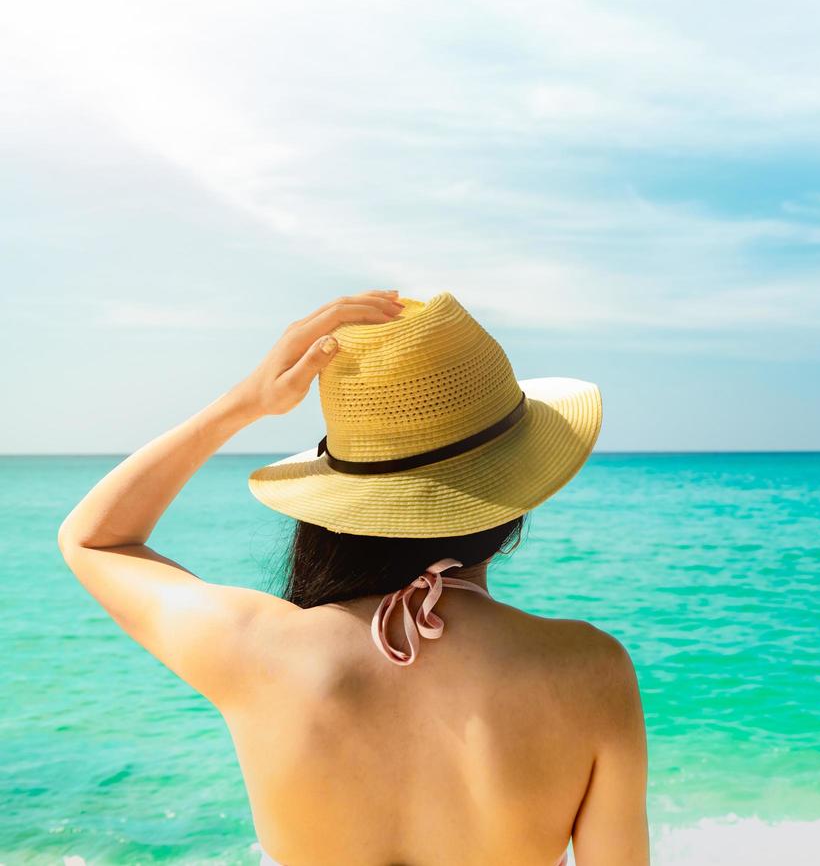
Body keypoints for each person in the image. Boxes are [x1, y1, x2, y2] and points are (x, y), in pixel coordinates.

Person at [58, 290, 648, 866]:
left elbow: (95, 539)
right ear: (517, 492)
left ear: (342, 498)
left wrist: (246, 402)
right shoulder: (588, 671)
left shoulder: (255, 647)